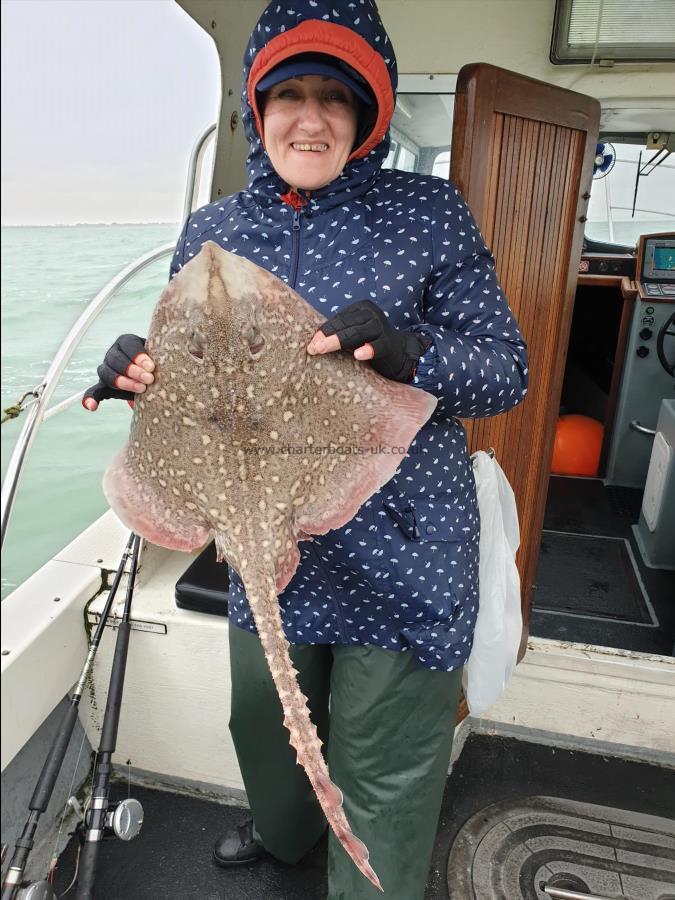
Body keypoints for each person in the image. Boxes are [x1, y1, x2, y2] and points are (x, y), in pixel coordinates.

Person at [84, 1, 528, 897]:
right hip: (266, 541)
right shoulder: (215, 229)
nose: (311, 117)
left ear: (367, 113)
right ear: (257, 107)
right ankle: (287, 837)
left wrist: (415, 351)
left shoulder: (427, 211)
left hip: (400, 541)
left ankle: (368, 879)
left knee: (382, 759)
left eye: (336, 95)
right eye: (288, 93)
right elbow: (190, 366)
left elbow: (505, 373)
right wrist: (134, 367)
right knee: (264, 723)